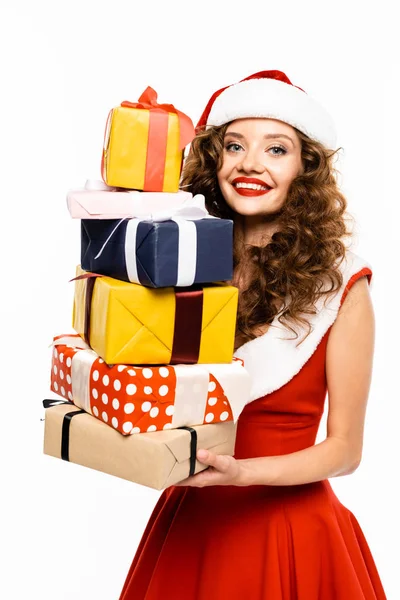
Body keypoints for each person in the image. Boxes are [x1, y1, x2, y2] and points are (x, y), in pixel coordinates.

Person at [119, 70, 387, 599]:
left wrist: (243, 474)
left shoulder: (343, 287)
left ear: (304, 170)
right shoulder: (180, 267)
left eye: (276, 149)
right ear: (214, 160)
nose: (250, 164)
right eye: (235, 145)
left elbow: (345, 450)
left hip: (292, 531)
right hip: (192, 522)